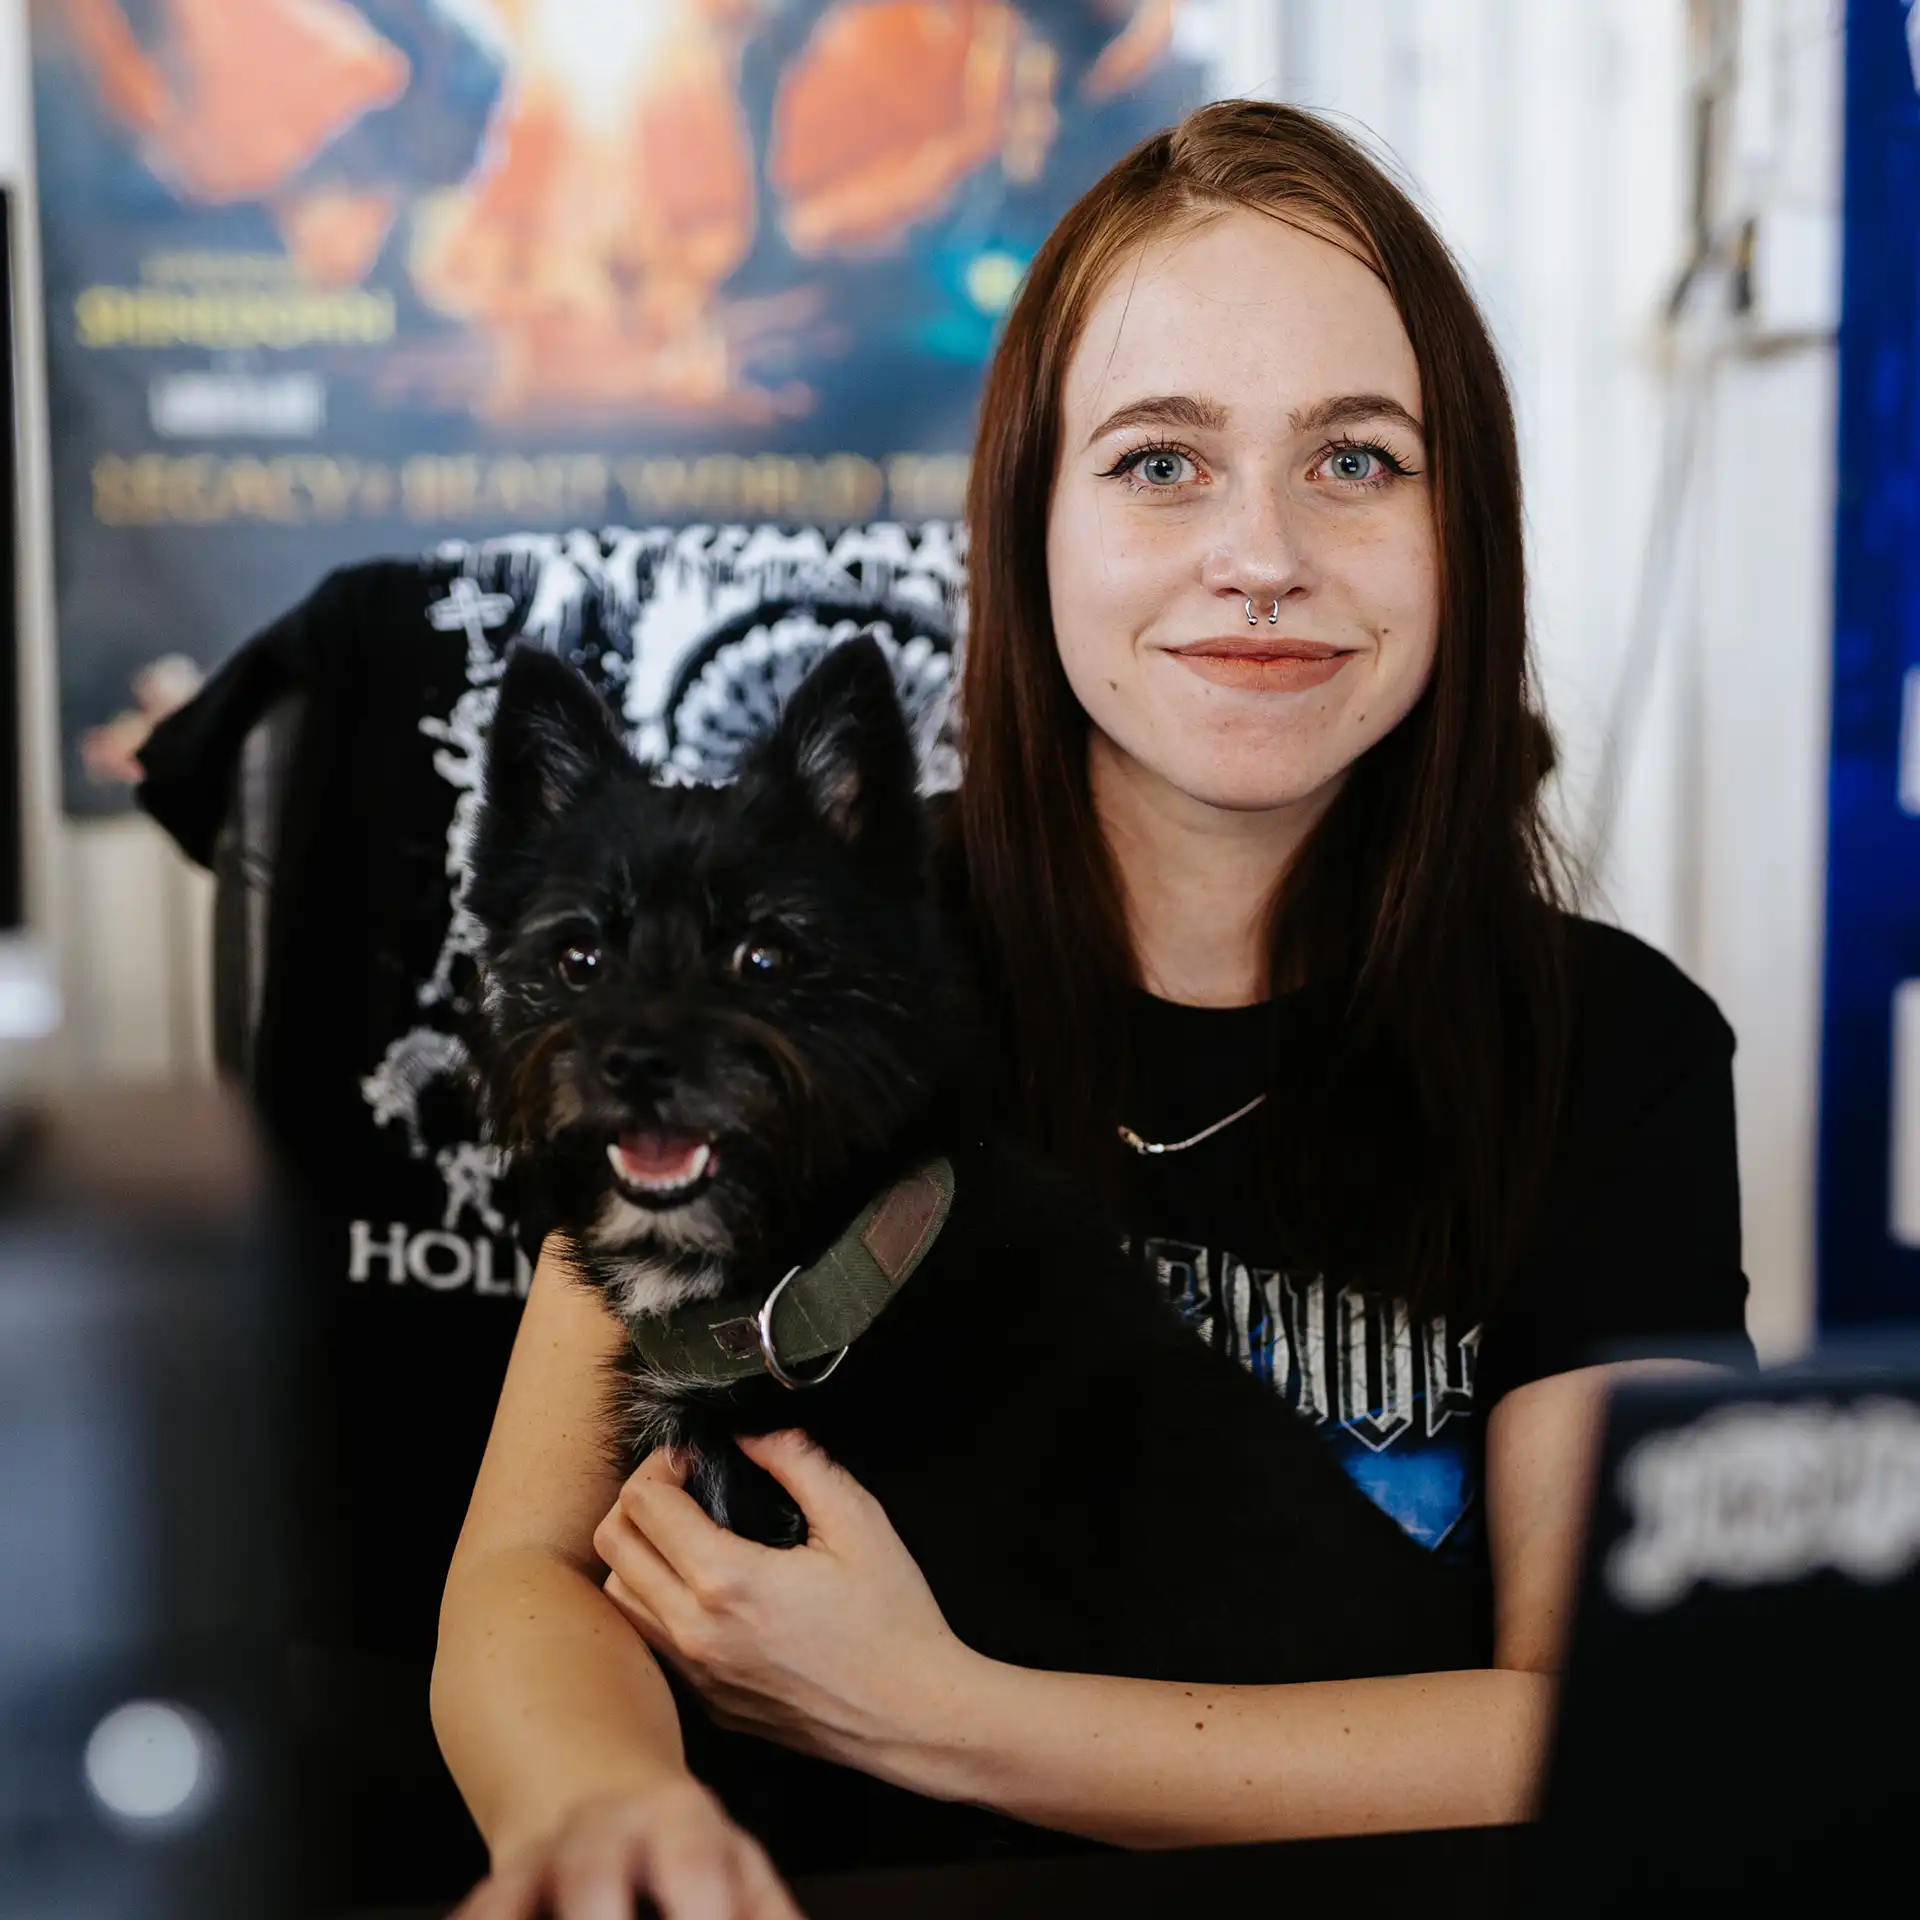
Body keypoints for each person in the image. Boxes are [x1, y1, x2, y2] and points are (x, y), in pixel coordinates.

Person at [431, 99, 1751, 1920]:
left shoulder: (1612, 1048)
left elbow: (1617, 1720)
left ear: (1466, 524)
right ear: (1030, 516)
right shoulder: (800, 952)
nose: (1263, 552)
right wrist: (601, 1813)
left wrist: (943, 1719)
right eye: (1160, 462)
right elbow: (529, 1571)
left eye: (1356, 459)